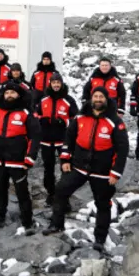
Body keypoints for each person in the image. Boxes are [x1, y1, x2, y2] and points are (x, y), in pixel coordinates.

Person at [43, 87, 128, 252]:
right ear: (91, 98)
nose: (97, 99)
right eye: (95, 96)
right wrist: (65, 159)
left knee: (103, 204)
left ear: (106, 99)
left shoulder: (115, 121)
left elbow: (122, 148)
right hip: (79, 166)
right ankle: (56, 224)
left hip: (102, 171)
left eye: (101, 97)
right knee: (60, 190)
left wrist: (116, 172)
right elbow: (69, 138)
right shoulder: (80, 117)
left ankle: (100, 239)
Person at [0, 82, 42, 233]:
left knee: (22, 192)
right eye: (7, 93)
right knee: (0, 190)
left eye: (12, 93)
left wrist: (30, 157)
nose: (9, 96)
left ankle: (28, 222)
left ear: (18, 95)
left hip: (18, 161)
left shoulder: (26, 113)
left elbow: (35, 137)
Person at [34, 73, 78, 206]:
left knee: (66, 168)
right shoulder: (43, 99)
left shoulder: (69, 100)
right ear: (50, 84)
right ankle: (51, 194)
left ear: (62, 84)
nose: (56, 85)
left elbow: (77, 119)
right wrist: (42, 120)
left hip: (63, 141)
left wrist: (63, 122)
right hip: (46, 140)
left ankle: (64, 196)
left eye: (58, 83)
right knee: (48, 169)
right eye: (54, 83)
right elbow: (35, 115)